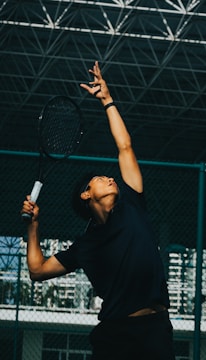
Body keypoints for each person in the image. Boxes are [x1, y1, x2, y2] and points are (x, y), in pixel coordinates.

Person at [21, 61, 175, 360]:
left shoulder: (133, 202)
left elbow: (125, 147)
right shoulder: (86, 245)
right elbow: (37, 271)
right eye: (99, 179)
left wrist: (107, 100)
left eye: (109, 176)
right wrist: (33, 227)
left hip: (156, 329)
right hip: (116, 336)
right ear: (86, 194)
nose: (110, 177)